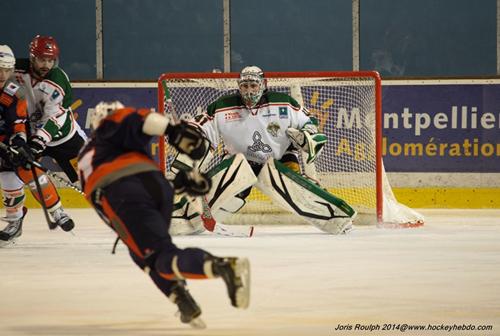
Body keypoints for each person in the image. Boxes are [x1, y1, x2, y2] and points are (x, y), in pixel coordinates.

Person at [77, 101, 250, 328]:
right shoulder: (116, 145)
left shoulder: (98, 140)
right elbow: (143, 124)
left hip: (121, 193)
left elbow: (134, 119)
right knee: (144, 254)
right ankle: (180, 296)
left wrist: (172, 130)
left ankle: (223, 267)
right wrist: (178, 183)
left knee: (159, 256)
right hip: (155, 185)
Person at [182, 65, 355, 234]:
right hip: (240, 160)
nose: (249, 91)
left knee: (299, 190)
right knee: (229, 195)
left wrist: (307, 135)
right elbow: (201, 127)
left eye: (253, 85)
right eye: (244, 86)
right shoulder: (222, 106)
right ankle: (186, 220)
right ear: (239, 87)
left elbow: (310, 123)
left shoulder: (284, 103)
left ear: (263, 85)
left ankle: (339, 220)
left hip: (280, 159)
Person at [0, 45, 73, 246]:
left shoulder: (15, 92)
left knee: (20, 169)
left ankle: (39, 214)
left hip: (5, 139)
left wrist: (20, 142)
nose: (3, 74)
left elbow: (18, 123)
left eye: (7, 69)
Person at [15, 35, 86, 183]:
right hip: (30, 132)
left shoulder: (58, 81)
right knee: (17, 173)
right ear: (32, 58)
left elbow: (54, 118)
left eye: (50, 60)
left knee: (87, 180)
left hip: (64, 138)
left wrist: (38, 142)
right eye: (42, 59)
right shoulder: (16, 69)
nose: (46, 65)